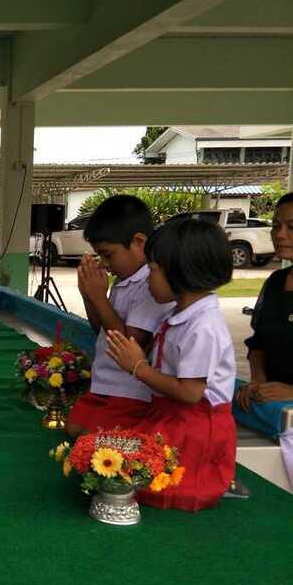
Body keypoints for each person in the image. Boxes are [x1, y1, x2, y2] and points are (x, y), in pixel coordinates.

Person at [106, 217, 237, 512]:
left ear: (180, 272)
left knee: (137, 480)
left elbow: (190, 393)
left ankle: (208, 479)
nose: (147, 279)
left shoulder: (204, 326)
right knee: (109, 455)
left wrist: (138, 367)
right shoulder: (180, 315)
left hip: (194, 426)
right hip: (169, 414)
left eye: (152, 269)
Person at [65, 195, 174, 439]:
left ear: (139, 243)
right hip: (104, 384)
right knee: (73, 428)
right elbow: (101, 330)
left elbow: (128, 344)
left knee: (89, 439)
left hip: (131, 391)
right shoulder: (123, 279)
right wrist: (89, 296)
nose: (104, 264)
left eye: (108, 255)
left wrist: (99, 298)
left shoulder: (151, 285)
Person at [236, 192, 293, 411]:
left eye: (291, 227)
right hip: (272, 411)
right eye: (276, 226)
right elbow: (258, 342)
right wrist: (258, 380)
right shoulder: (275, 282)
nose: (280, 234)